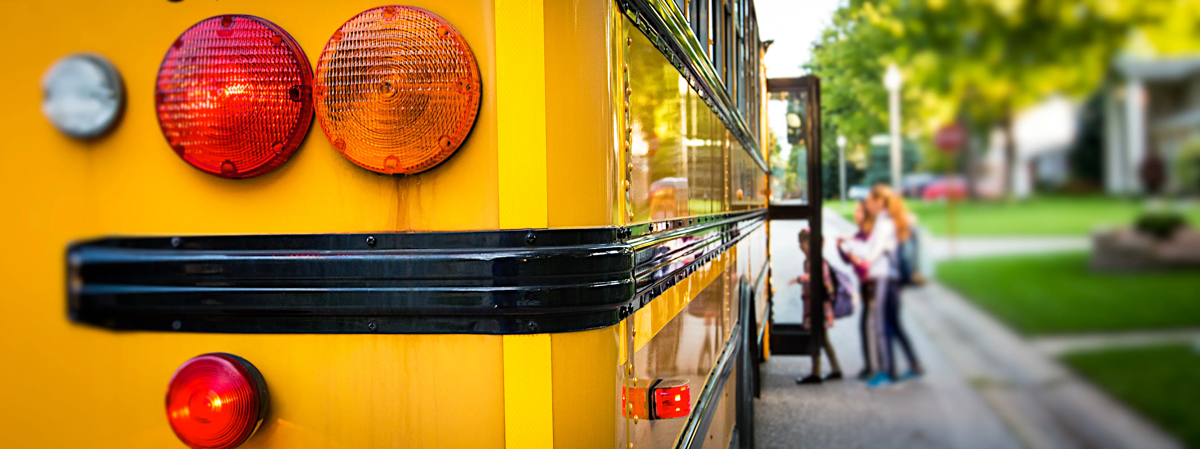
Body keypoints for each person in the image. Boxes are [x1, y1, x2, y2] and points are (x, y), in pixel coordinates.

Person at [864, 184, 924, 387]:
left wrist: (866, 261)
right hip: (893, 278)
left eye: (870, 201)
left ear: (880, 202)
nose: (868, 206)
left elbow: (880, 247)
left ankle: (887, 372)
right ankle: (915, 364)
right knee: (894, 323)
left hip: (885, 278)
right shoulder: (896, 219)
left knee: (881, 324)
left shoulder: (885, 220)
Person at [837, 201, 884, 380]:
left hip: (874, 284)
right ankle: (872, 366)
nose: (856, 214)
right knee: (868, 325)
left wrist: (855, 258)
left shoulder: (870, 235)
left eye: (859, 211)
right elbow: (849, 259)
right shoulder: (860, 234)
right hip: (866, 285)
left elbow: (866, 262)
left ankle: (878, 367)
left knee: (873, 325)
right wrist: (841, 247)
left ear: (866, 214)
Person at [792, 228, 842, 384]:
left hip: (818, 307)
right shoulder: (808, 261)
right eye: (799, 242)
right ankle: (835, 369)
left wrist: (803, 278)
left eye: (803, 242)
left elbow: (824, 281)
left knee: (817, 338)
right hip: (811, 305)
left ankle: (817, 372)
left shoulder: (818, 261)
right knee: (823, 339)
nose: (800, 246)